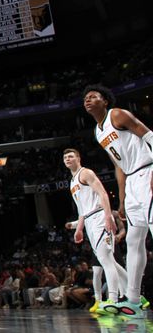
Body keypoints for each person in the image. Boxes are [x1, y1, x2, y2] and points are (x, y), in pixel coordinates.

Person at [84, 84, 153, 317]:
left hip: (147, 171)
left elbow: (150, 135)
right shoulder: (97, 131)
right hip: (132, 183)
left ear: (105, 101)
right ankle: (133, 299)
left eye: (94, 96)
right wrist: (122, 199)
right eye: (86, 98)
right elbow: (118, 165)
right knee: (134, 241)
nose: (88, 100)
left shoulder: (117, 114)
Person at [62, 148, 121, 311]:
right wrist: (78, 229)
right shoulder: (72, 182)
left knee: (106, 260)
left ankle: (113, 301)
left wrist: (108, 216)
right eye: (65, 157)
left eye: (71, 156)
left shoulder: (86, 173)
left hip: (99, 217)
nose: (67, 159)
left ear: (78, 158)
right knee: (109, 262)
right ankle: (134, 294)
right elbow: (82, 209)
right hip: (89, 222)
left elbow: (103, 194)